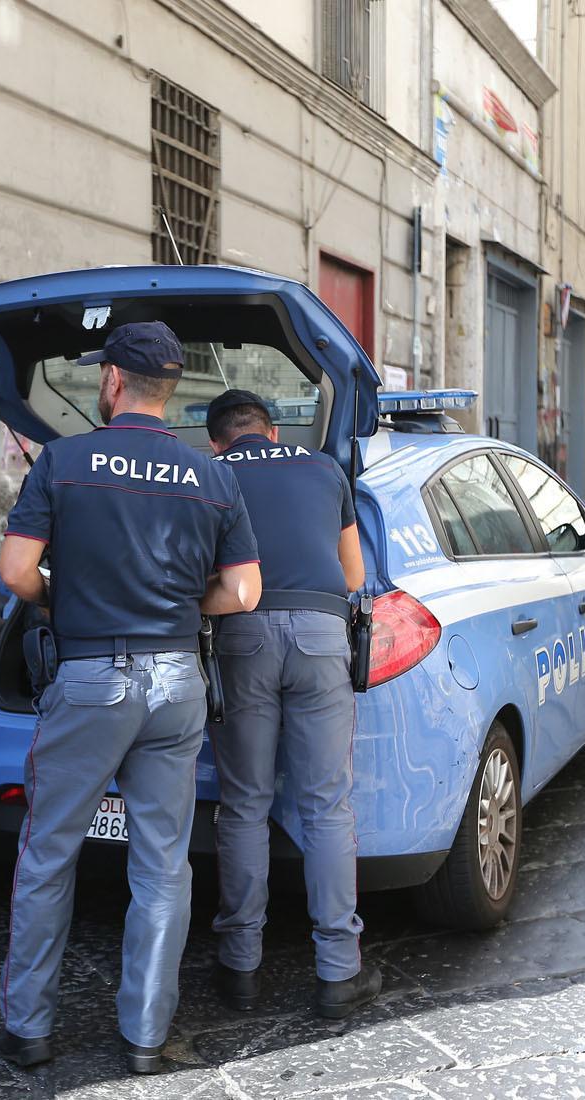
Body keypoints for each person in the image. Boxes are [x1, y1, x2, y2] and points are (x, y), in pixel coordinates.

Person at [0, 321, 262, 1075]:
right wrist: (177, 603)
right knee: (162, 865)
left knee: (49, 851)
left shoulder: (64, 462)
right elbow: (244, 590)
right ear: (169, 389)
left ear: (112, 382)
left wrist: (63, 597)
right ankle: (145, 1036)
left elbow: (16, 572)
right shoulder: (213, 476)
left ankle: (29, 1029)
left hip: (91, 679)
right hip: (177, 679)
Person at [201, 389, 381, 1022]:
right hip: (322, 634)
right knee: (327, 805)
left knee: (243, 804)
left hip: (243, 634)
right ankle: (338, 971)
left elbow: (206, 576)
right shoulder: (326, 468)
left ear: (217, 440)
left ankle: (240, 966)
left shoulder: (213, 475)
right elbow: (355, 577)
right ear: (273, 432)